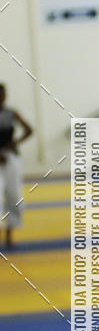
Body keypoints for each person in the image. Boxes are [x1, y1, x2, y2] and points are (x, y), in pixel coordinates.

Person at [0, 83, 33, 249]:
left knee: (13, 195)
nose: (2, 97)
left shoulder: (12, 113)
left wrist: (16, 143)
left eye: (3, 94)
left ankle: (9, 235)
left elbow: (29, 130)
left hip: (10, 158)